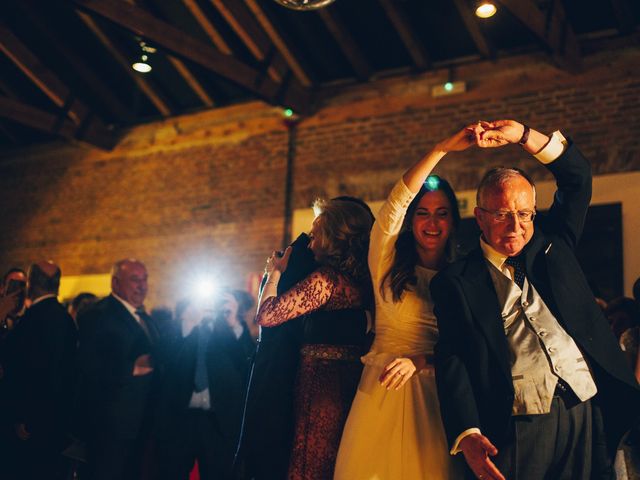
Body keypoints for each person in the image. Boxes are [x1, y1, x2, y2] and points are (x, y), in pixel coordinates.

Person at [430, 119, 640, 480]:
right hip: (518, 422)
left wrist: (523, 136)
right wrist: (467, 432)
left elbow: (577, 178)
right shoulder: (456, 280)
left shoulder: (553, 244)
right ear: (480, 217)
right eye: (501, 214)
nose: (516, 226)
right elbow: (453, 357)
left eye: (524, 214)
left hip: (586, 405)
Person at [335, 128, 474, 479]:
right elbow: (394, 204)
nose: (432, 222)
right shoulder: (386, 263)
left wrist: (422, 360)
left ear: (453, 221)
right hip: (381, 392)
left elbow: (469, 348)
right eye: (423, 213)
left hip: (438, 399)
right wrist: (440, 148)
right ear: (411, 221)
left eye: (442, 213)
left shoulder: (465, 278)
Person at [256, 198, 373, 479]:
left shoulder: (327, 280)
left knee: (311, 460)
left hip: (319, 385)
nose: (309, 244)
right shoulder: (365, 280)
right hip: (353, 380)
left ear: (333, 236)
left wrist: (275, 272)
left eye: (315, 233)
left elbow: (267, 316)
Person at [75, 259, 160, 480]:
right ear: (115, 283)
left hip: (143, 424)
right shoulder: (98, 315)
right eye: (134, 280)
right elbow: (87, 366)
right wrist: (130, 368)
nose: (142, 286)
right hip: (111, 427)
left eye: (144, 279)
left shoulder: (145, 318)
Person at [154, 291, 254, 480]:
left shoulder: (229, 330)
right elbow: (161, 356)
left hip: (217, 421)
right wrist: (188, 324)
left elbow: (248, 360)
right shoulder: (177, 328)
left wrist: (233, 321)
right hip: (179, 419)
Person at [4, 261, 77, 480]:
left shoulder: (35, 318)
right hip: (56, 419)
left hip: (32, 423)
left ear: (32, 283)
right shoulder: (65, 318)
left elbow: (32, 373)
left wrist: (22, 415)